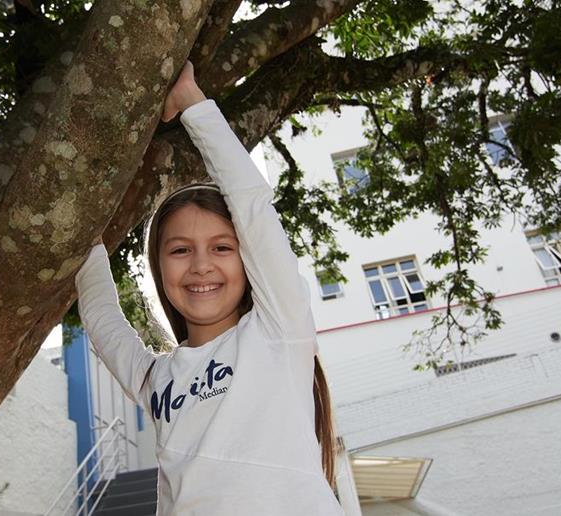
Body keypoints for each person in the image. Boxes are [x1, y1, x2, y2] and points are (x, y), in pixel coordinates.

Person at [75, 61, 361, 515]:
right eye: (180, 250)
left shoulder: (277, 332)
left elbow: (252, 205)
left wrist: (191, 103)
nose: (201, 266)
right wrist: (82, 241)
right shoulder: (156, 380)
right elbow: (102, 319)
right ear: (159, 268)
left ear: (248, 260)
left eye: (222, 247)